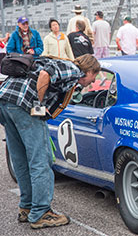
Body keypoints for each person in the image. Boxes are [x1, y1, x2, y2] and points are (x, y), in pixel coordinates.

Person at [0, 54, 101, 229]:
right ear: (90, 70)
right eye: (94, 77)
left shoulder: (60, 65)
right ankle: (41, 213)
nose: (93, 82)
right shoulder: (73, 69)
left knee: (21, 159)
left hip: (5, 102)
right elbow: (45, 75)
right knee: (41, 160)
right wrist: (38, 105)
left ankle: (26, 207)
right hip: (23, 105)